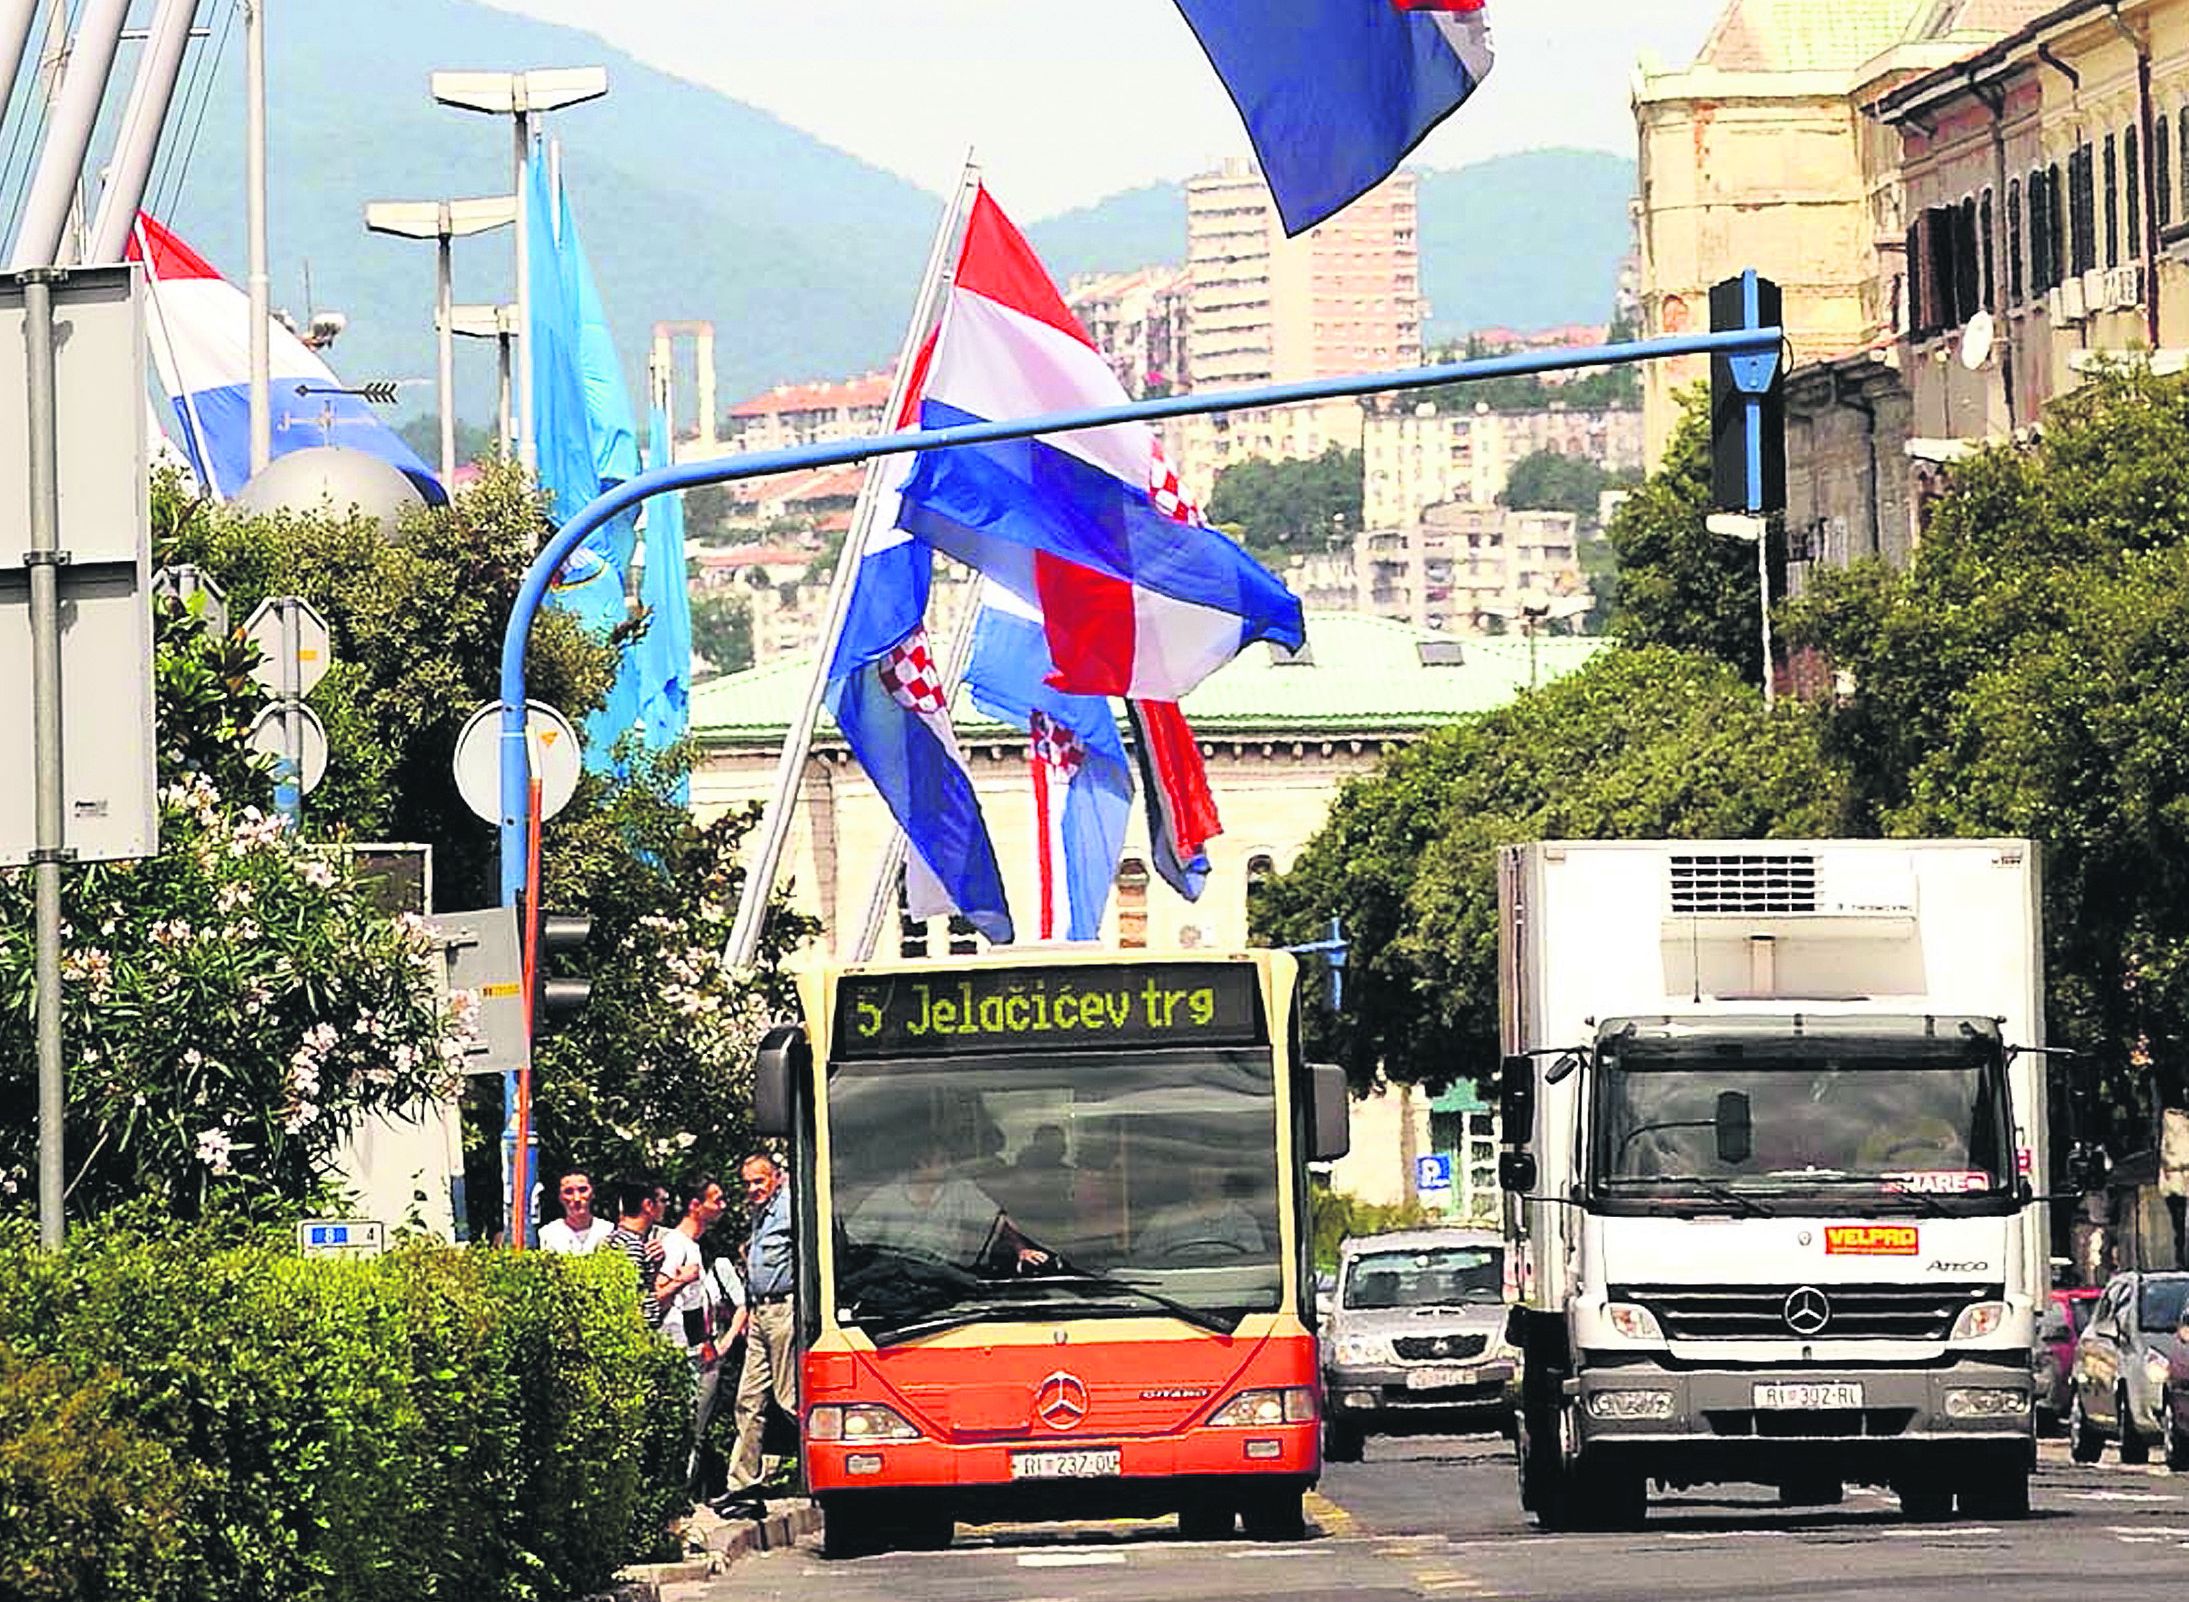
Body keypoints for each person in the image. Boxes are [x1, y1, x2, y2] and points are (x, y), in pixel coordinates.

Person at [846, 1128, 1053, 1271]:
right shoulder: (885, 1196)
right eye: (942, 1161)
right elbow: (855, 1240)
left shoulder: (960, 1189)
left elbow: (997, 1220)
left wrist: (1021, 1249)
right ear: (920, 1164)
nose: (949, 1166)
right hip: (897, 1279)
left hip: (947, 1279)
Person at [718, 1153, 798, 1517]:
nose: (752, 1189)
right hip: (760, 1312)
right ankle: (743, 1487)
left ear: (776, 1178)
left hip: (785, 1309)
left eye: (759, 1181)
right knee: (748, 1401)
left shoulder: (790, 1208)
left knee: (787, 1399)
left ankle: (826, 1471)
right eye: (748, 1183)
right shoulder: (761, 1215)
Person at [664, 1175, 731, 1498]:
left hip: (693, 1347)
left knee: (695, 1429)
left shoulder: (693, 1246)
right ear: (695, 1205)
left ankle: (682, 1493)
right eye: (715, 1200)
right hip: (678, 1348)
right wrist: (700, 1341)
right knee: (686, 1430)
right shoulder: (676, 1245)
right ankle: (676, 1496)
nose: (723, 1207)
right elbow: (665, 1294)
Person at [605, 1178, 696, 1332]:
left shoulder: (616, 1240)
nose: (666, 1206)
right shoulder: (630, 1246)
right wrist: (681, 1280)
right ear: (648, 1205)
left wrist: (654, 1266)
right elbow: (638, 1308)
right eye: (663, 1200)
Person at [1133, 1167, 1267, 1260]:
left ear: (1222, 1178)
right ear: (1190, 1178)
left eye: (1209, 1176)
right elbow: (1143, 1259)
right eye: (1198, 1175)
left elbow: (1253, 1264)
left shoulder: (1242, 1220)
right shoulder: (1166, 1217)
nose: (1204, 1181)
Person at [540, 1171, 612, 1255]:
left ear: (593, 1193)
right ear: (560, 1197)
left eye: (582, 1190)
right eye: (568, 1192)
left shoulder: (608, 1231)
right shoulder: (549, 1234)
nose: (577, 1198)